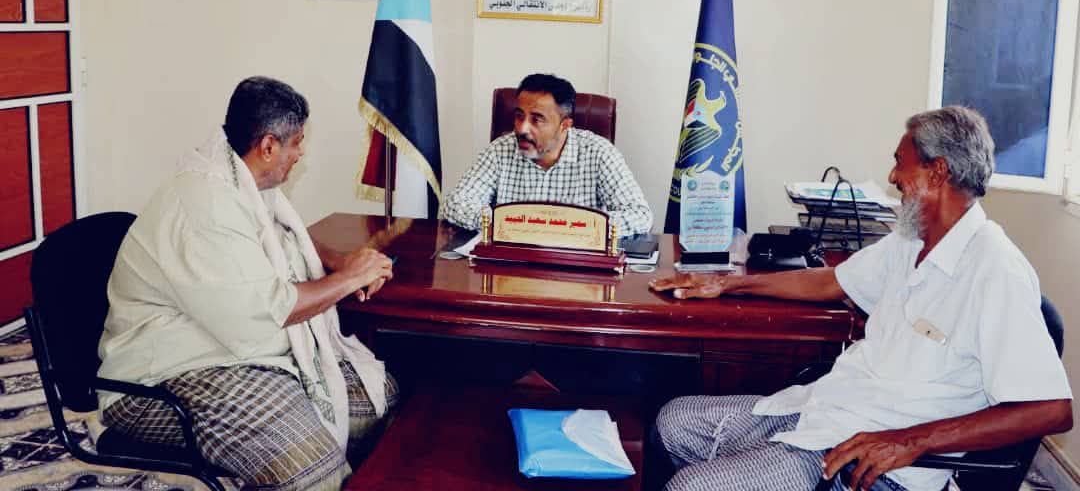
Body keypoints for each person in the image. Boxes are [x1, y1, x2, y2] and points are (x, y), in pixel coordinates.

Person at [649, 107, 1072, 491]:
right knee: (674, 424)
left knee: (692, 488)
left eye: (900, 162)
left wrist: (910, 441)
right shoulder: (911, 239)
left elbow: (1050, 409)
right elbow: (833, 281)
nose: (893, 177)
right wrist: (728, 284)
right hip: (829, 409)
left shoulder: (995, 268)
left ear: (937, 172)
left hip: (873, 465)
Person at [97, 77, 398, 491]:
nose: (301, 153)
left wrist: (338, 261)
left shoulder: (241, 174)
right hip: (168, 373)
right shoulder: (206, 203)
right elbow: (271, 309)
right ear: (269, 146)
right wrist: (350, 278)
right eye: (298, 142)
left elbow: (282, 235)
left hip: (232, 345)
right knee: (311, 467)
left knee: (377, 401)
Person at [440, 73, 652, 236]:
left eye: (537, 119)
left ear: (565, 125)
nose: (522, 129)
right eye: (519, 116)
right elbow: (455, 204)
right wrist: (507, 222)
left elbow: (639, 215)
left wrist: (569, 227)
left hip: (574, 267)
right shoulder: (501, 149)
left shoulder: (599, 153)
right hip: (510, 264)